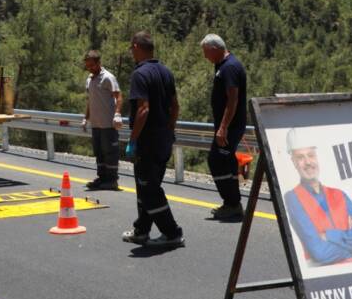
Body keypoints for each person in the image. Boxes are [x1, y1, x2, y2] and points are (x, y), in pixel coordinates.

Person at [121, 31, 185, 248]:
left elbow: (143, 110)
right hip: (163, 139)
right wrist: (169, 129)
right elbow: (175, 106)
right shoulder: (165, 72)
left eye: (131, 48)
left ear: (138, 47)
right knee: (146, 186)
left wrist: (133, 139)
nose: (131, 52)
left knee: (149, 188)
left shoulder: (140, 75)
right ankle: (141, 230)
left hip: (148, 141)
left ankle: (172, 232)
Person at [281, 137, 352, 265]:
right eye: (300, 157)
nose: (308, 162)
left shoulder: (339, 194)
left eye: (311, 155)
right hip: (329, 279)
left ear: (317, 158)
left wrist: (330, 236)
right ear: (294, 162)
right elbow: (321, 253)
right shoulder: (293, 198)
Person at [200, 34, 247, 220]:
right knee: (227, 162)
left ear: (215, 49)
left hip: (229, 127)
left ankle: (232, 203)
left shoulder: (229, 67)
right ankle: (232, 203)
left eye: (206, 52)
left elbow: (233, 99)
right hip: (229, 126)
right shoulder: (223, 66)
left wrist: (223, 127)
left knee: (216, 161)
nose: (205, 57)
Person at [81, 50, 123, 191]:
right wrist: (86, 118)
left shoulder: (108, 78)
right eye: (87, 66)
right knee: (99, 152)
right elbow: (90, 100)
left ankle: (112, 180)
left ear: (99, 63)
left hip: (108, 124)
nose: (90, 68)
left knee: (110, 152)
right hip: (96, 124)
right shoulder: (90, 79)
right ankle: (102, 178)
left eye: (92, 65)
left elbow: (119, 97)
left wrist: (117, 114)